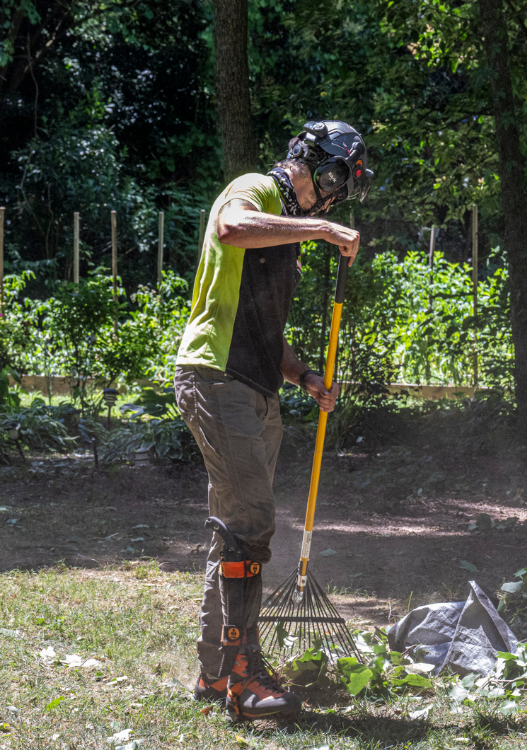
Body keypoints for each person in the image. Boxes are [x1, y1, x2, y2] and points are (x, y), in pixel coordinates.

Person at [174, 120, 372, 723]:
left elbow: (263, 328)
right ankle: (245, 679)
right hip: (217, 376)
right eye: (336, 185)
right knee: (252, 523)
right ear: (318, 168)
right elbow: (229, 227)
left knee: (235, 531)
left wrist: (303, 375)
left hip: (257, 386)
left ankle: (216, 674)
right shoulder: (255, 188)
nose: (333, 201)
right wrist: (320, 229)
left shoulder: (284, 233)